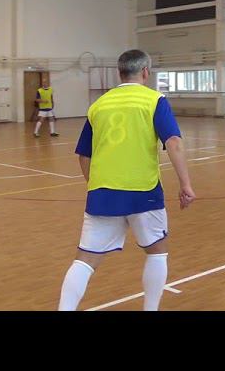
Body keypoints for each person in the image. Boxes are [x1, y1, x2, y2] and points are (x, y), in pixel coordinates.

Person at [58, 49, 196, 311]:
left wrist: (95, 186)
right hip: (143, 191)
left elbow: (84, 155)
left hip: (102, 193)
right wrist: (185, 184)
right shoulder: (154, 100)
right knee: (157, 252)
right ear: (145, 71)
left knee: (84, 260)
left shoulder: (99, 105)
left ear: (119, 73)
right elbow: (173, 141)